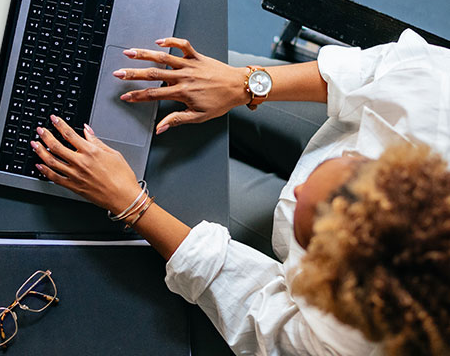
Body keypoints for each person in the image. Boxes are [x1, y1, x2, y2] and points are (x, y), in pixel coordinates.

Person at [30, 29, 450, 355]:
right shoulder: (438, 108)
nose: (296, 190)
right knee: (187, 75)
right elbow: (380, 71)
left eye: (309, 236)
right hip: (344, 118)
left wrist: (133, 205)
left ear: (330, 281)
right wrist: (245, 84)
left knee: (181, 188)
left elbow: (263, 316)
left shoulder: (355, 335)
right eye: (349, 164)